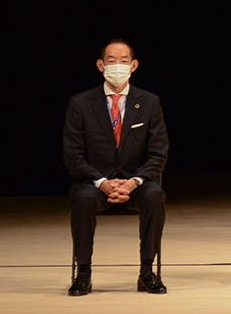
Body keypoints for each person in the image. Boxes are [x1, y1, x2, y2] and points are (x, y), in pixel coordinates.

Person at [63, 40, 170, 297]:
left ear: (134, 65)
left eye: (124, 60)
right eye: (111, 60)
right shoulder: (81, 103)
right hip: (95, 183)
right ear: (101, 65)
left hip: (136, 183)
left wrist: (133, 182)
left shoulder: (149, 102)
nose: (117, 66)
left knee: (155, 196)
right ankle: (83, 274)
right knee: (83, 198)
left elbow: (158, 153)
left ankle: (147, 273)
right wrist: (102, 182)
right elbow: (72, 155)